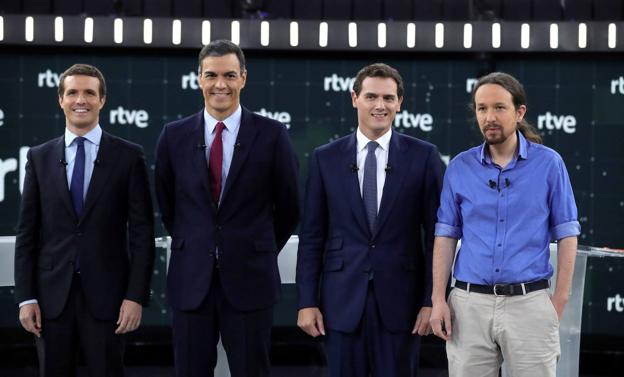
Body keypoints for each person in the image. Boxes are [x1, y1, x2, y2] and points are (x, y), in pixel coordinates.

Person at [154, 39, 300, 377]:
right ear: (199, 78)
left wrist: (253, 248)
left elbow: (289, 207)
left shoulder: (272, 134)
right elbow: (169, 207)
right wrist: (201, 245)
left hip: (251, 281)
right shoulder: (172, 136)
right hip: (191, 284)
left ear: (244, 79)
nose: (221, 84)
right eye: (212, 75)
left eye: (230, 75)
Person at [430, 72, 580, 377]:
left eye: (499, 107)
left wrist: (558, 302)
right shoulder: (460, 167)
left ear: (519, 112)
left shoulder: (549, 164)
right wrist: (437, 299)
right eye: (482, 108)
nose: (489, 117)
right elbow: (445, 235)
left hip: (530, 305)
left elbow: (567, 233)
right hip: (468, 306)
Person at [296, 63, 442, 377]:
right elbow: (312, 236)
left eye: (389, 98)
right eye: (371, 96)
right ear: (354, 98)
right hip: (340, 302)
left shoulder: (424, 156)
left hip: (402, 305)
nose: (380, 105)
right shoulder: (325, 158)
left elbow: (436, 237)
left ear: (400, 102)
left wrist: (431, 299)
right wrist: (306, 301)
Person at [14, 63, 155, 377]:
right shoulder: (39, 157)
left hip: (109, 301)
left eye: (90, 93)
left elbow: (142, 233)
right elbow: (27, 233)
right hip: (50, 302)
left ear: (102, 100)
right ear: (61, 99)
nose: (81, 99)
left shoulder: (129, 156)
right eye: (73, 92)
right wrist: (26, 297)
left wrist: (135, 297)